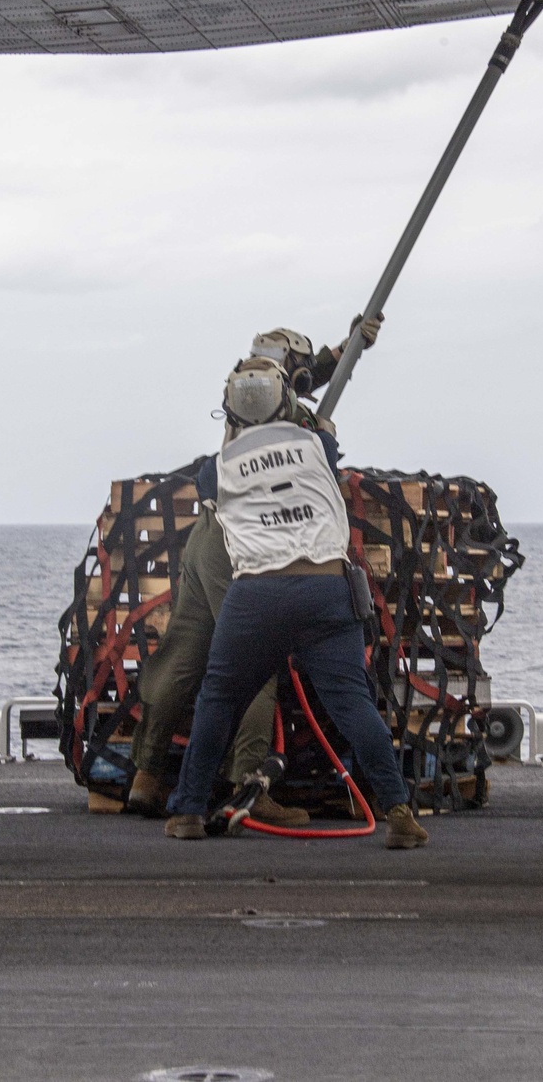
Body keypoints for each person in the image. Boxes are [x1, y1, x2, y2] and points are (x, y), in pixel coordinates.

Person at [163, 356, 427, 850]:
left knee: (219, 700)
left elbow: (223, 482)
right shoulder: (317, 445)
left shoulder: (214, 471)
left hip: (256, 595)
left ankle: (189, 812)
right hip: (327, 590)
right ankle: (399, 813)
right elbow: (321, 439)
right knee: (353, 704)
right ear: (286, 401)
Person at [127, 317, 383, 822]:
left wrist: (347, 348)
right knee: (253, 663)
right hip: (242, 545)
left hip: (206, 538)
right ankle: (247, 786)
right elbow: (309, 433)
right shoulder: (280, 410)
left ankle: (147, 775)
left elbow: (298, 379)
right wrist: (340, 366)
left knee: (184, 653)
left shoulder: (243, 392)